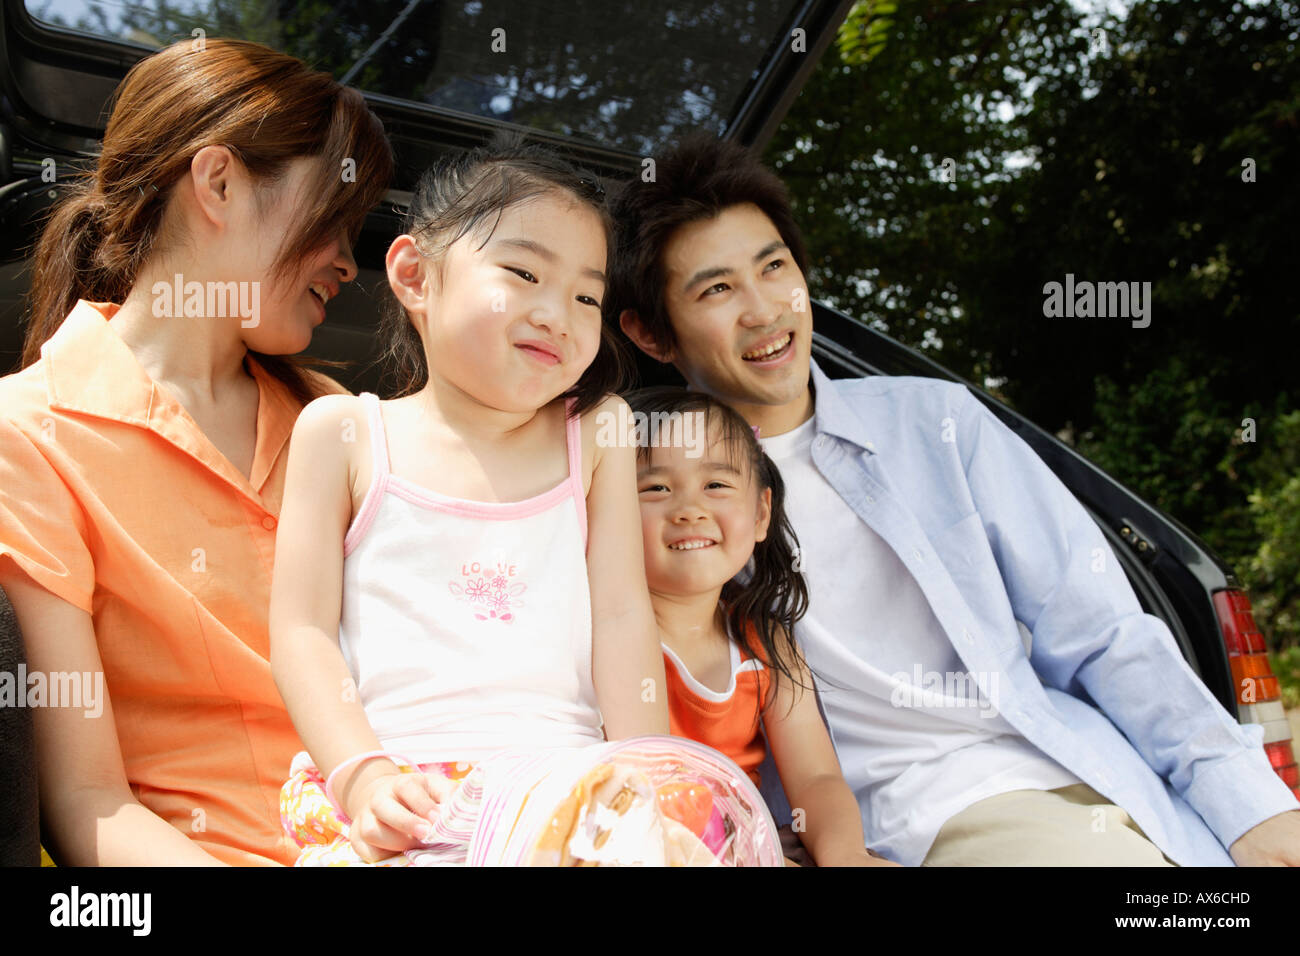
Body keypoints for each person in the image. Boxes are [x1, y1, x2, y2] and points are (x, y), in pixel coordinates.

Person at [607, 133, 1300, 867]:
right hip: (892, 821)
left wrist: (1247, 807)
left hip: (1052, 777)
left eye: (774, 267)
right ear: (652, 332)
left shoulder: (938, 424)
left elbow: (1102, 633)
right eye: (716, 289)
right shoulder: (631, 492)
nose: (763, 309)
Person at [270, 137, 782, 867]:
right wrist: (362, 775)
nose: (559, 314)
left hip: (571, 792)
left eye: (586, 296)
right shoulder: (345, 433)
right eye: (523, 272)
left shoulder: (597, 431)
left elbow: (620, 613)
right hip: (408, 792)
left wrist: (645, 770)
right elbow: (301, 633)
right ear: (415, 275)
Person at [0, 39, 394, 865]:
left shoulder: (343, 419)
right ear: (217, 183)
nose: (348, 262)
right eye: (334, 218)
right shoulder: (26, 433)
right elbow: (88, 805)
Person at [626, 385, 899, 867]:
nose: (689, 508)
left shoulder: (765, 640)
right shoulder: (606, 638)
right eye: (655, 488)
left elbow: (817, 781)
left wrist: (844, 856)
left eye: (716, 485)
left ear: (760, 513)